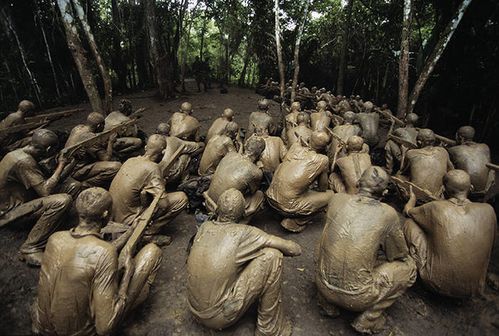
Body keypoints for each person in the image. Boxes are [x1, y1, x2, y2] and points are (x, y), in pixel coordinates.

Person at [32, 187, 162, 336]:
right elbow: (105, 327)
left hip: (43, 327)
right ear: (106, 214)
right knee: (152, 252)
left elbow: (89, 251)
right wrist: (127, 275)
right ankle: (137, 301)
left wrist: (131, 231)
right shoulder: (105, 252)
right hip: (81, 332)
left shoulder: (56, 238)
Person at [316, 166, 416, 334]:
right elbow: (399, 254)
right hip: (357, 298)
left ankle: (327, 304)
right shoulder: (388, 213)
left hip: (322, 285)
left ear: (357, 182)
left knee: (328, 241)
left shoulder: (337, 198)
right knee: (409, 267)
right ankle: (368, 320)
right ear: (384, 194)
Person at [187, 188, 301, 336]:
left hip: (195, 310)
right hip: (217, 316)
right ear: (243, 212)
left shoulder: (204, 227)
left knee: (236, 257)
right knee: (272, 256)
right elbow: (294, 250)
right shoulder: (244, 233)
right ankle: (269, 330)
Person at [403, 169, 496, 298]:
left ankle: (423, 272)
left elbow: (408, 211)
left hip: (437, 284)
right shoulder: (489, 210)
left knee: (409, 223)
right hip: (475, 288)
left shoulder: (436, 207)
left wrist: (412, 198)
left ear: (443, 189)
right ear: (471, 187)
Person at [0, 129, 72, 266]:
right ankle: (30, 247)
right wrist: (61, 164)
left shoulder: (18, 153)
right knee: (62, 201)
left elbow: (50, 180)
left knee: (72, 186)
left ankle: (52, 224)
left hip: (20, 200)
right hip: (10, 213)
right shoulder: (24, 162)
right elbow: (45, 191)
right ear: (49, 148)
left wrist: (72, 163)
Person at [109, 135, 188, 246]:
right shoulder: (152, 168)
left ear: (146, 147)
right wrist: (161, 188)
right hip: (129, 221)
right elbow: (163, 204)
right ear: (163, 152)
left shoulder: (131, 160)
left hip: (114, 215)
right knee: (181, 198)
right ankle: (146, 233)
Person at [266, 131, 333, 233]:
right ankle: (295, 222)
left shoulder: (295, 147)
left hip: (270, 198)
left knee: (296, 187)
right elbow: (323, 188)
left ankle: (277, 213)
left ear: (309, 139)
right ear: (325, 147)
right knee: (330, 195)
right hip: (287, 206)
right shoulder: (322, 160)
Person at [204, 137, 265, 222]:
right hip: (222, 211)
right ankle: (241, 222)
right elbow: (253, 191)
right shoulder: (255, 171)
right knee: (259, 195)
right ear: (261, 154)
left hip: (208, 200)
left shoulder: (230, 154)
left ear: (245, 145)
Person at [64, 112, 122, 188]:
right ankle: (88, 183)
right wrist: (110, 142)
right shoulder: (90, 138)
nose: (104, 127)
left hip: (67, 167)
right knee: (116, 167)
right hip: (76, 170)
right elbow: (106, 158)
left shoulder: (78, 128)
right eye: (103, 125)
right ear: (99, 126)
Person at [399, 129, 454, 197]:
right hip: (437, 196)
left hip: (417, 196)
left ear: (419, 142)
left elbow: (403, 171)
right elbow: (452, 171)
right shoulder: (443, 151)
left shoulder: (411, 153)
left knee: (398, 176)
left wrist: (404, 153)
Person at [448, 126, 495, 197]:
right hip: (484, 190)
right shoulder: (485, 147)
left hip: (466, 191)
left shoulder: (453, 150)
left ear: (460, 137)